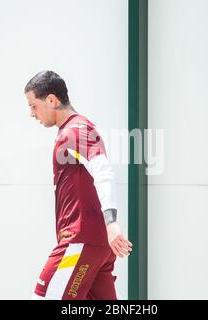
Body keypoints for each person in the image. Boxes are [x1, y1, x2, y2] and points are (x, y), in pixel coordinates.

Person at [25, 71, 132, 300]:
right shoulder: (74, 130)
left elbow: (103, 170)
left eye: (34, 106)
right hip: (95, 246)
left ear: (52, 100)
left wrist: (111, 222)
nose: (32, 114)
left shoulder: (75, 131)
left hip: (80, 241)